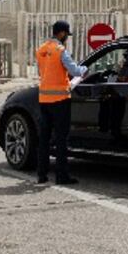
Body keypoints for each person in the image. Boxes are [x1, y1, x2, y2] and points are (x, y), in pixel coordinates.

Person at [35, 20, 86, 185]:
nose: (67, 38)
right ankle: (61, 176)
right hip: (60, 100)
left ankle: (41, 174)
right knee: (61, 139)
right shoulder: (60, 50)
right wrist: (84, 69)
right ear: (62, 33)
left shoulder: (41, 49)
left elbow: (44, 72)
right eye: (66, 35)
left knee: (44, 138)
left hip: (44, 99)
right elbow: (75, 71)